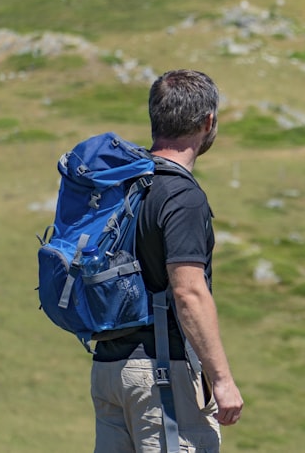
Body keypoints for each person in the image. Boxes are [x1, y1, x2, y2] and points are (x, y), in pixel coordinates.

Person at [90, 69, 244, 452]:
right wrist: (221, 379)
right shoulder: (181, 196)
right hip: (161, 375)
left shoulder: (126, 185)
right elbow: (188, 293)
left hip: (110, 369)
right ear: (208, 122)